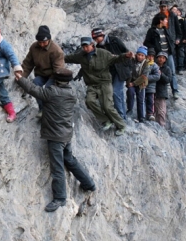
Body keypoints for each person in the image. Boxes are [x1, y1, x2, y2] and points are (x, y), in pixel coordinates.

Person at [15, 68, 96, 212]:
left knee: (57, 167)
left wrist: (20, 79)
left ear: (57, 80)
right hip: (66, 134)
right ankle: (88, 183)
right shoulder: (71, 92)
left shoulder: (52, 93)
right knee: (69, 159)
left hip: (55, 136)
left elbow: (34, 90)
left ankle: (60, 198)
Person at [64, 37, 134, 136]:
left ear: (92, 44)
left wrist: (126, 56)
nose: (85, 48)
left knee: (107, 106)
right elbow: (68, 58)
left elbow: (116, 59)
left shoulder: (103, 53)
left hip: (104, 83)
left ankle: (121, 125)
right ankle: (106, 120)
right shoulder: (81, 56)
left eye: (86, 46)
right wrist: (56, 56)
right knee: (89, 101)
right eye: (83, 46)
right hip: (92, 84)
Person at [20, 25, 66, 118]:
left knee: (48, 90)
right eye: (39, 42)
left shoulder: (56, 50)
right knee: (35, 85)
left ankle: (50, 110)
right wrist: (21, 77)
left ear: (49, 39)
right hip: (41, 74)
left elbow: (58, 69)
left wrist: (57, 82)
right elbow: (28, 63)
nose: (41, 44)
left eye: (44, 42)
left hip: (54, 75)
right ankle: (42, 109)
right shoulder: (34, 47)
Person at [90, 28, 130, 120]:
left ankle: (120, 117)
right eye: (94, 39)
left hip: (121, 70)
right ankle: (123, 117)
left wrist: (126, 66)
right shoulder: (99, 48)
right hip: (111, 72)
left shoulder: (115, 41)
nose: (96, 40)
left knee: (115, 92)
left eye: (96, 38)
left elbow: (126, 53)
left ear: (101, 35)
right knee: (119, 94)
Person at [143, 13, 179, 99]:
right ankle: (154, 92)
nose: (167, 21)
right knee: (156, 72)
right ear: (161, 21)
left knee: (172, 72)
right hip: (158, 55)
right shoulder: (152, 31)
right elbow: (146, 42)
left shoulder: (165, 29)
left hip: (168, 54)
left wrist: (172, 48)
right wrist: (154, 49)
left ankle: (175, 91)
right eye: (165, 20)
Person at [155, 0, 182, 99]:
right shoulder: (157, 17)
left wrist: (178, 39)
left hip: (169, 47)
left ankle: (175, 90)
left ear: (167, 7)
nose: (163, 8)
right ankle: (158, 92)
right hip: (159, 49)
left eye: (164, 6)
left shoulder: (172, 16)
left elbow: (178, 29)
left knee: (171, 70)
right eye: (161, 6)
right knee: (157, 70)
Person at [126, 46, 150, 123]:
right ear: (136, 54)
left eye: (142, 55)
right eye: (139, 55)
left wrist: (133, 83)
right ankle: (129, 109)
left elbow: (144, 77)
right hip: (131, 81)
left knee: (140, 100)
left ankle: (141, 117)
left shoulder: (146, 64)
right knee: (130, 93)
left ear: (145, 56)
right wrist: (129, 82)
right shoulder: (132, 61)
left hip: (140, 84)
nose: (140, 57)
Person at [172, 6, 186, 73]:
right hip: (178, 39)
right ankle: (179, 67)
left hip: (184, 38)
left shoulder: (183, 20)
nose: (176, 12)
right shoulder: (172, 20)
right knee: (179, 53)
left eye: (177, 11)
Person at [154, 52, 172, 127]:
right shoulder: (153, 66)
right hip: (152, 90)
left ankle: (161, 126)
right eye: (160, 57)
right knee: (152, 110)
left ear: (165, 60)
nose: (161, 59)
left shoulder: (167, 69)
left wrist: (161, 74)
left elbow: (168, 80)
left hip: (161, 92)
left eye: (163, 58)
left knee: (161, 111)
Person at [144, 48, 161, 121]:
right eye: (149, 56)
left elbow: (157, 76)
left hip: (151, 87)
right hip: (142, 86)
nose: (150, 58)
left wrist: (146, 78)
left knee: (150, 101)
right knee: (142, 100)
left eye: (152, 56)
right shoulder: (143, 64)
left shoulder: (154, 65)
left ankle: (150, 114)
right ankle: (143, 114)